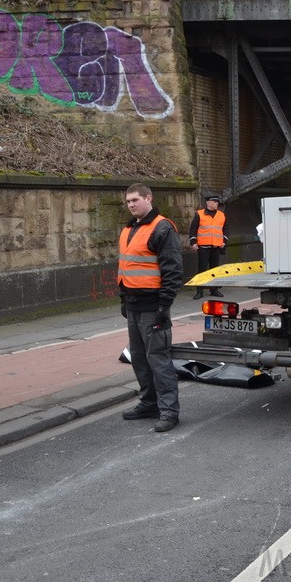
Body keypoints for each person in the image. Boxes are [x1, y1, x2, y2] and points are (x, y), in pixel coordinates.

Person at [117, 183, 184, 433]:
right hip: (134, 305)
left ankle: (169, 411)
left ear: (148, 198)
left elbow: (173, 270)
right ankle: (149, 403)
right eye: (128, 201)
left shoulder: (162, 227)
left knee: (158, 359)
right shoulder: (129, 228)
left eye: (135, 200)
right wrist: (124, 300)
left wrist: (164, 305)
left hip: (153, 306)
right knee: (140, 360)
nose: (131, 204)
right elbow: (127, 267)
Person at [188, 192, 228, 300]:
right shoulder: (199, 214)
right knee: (202, 269)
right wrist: (193, 242)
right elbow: (193, 230)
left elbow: (225, 229)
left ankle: (214, 289)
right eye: (214, 201)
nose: (217, 203)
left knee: (214, 269)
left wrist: (224, 241)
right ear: (208, 203)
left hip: (216, 246)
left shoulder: (221, 215)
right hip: (203, 246)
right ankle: (199, 291)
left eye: (217, 202)